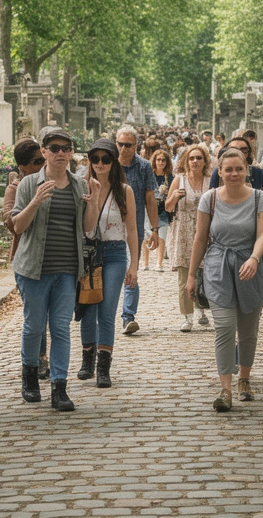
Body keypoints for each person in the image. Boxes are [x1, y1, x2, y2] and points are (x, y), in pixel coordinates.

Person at [187, 147, 263, 412]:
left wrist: (254, 258)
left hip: (250, 267)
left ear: (246, 170)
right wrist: (191, 275)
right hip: (218, 268)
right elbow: (201, 238)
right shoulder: (209, 199)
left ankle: (244, 378)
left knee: (248, 330)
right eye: (228, 169)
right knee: (224, 327)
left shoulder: (260, 199)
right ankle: (225, 389)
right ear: (220, 172)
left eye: (239, 169)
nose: (233, 174)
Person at [10, 127, 86, 411]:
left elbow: (87, 228)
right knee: (34, 326)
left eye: (66, 148)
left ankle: (59, 387)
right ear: (43, 152)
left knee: (61, 328)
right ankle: (29, 376)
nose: (61, 153)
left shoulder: (80, 185)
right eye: (54, 148)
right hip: (33, 268)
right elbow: (18, 226)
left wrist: (94, 202)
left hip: (67, 268)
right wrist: (35, 201)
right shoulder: (29, 183)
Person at [77, 139, 139, 387]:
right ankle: (86, 360)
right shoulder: (81, 186)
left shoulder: (124, 190)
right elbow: (83, 226)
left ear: (114, 162)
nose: (100, 163)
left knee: (107, 310)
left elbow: (132, 229)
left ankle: (104, 365)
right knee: (87, 308)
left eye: (106, 159)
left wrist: (134, 265)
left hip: (114, 252)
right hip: (89, 253)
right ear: (89, 161)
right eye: (95, 159)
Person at [4, 138, 49, 378]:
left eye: (44, 159)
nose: (43, 165)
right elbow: (12, 225)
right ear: (22, 166)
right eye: (37, 162)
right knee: (36, 313)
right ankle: (38, 359)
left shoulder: (55, 182)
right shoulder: (15, 188)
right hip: (28, 258)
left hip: (53, 256)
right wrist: (33, 200)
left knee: (52, 316)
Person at [115, 125, 160, 335]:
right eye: (120, 144)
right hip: (108, 228)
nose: (123, 149)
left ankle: (128, 317)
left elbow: (150, 198)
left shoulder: (143, 167)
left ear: (136, 146)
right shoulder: (107, 164)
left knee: (130, 270)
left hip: (133, 228)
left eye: (128, 145)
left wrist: (155, 228)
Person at [167, 144, 212, 331]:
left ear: (204, 161)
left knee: (205, 273)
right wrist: (175, 196)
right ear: (186, 161)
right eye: (192, 158)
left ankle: (201, 308)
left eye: (199, 158)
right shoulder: (179, 180)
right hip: (183, 231)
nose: (195, 161)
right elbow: (168, 207)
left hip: (205, 231)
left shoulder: (210, 180)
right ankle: (187, 316)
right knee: (184, 276)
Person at [208, 136, 263, 203]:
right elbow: (212, 198)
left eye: (244, 151)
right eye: (234, 150)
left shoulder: (258, 172)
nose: (239, 153)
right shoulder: (218, 172)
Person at [147, 149, 175, 272]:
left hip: (163, 210)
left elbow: (173, 194)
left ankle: (159, 263)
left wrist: (167, 192)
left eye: (163, 160)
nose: (161, 162)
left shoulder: (169, 177)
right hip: (149, 208)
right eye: (158, 160)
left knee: (162, 236)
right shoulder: (149, 175)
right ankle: (146, 263)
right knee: (147, 236)